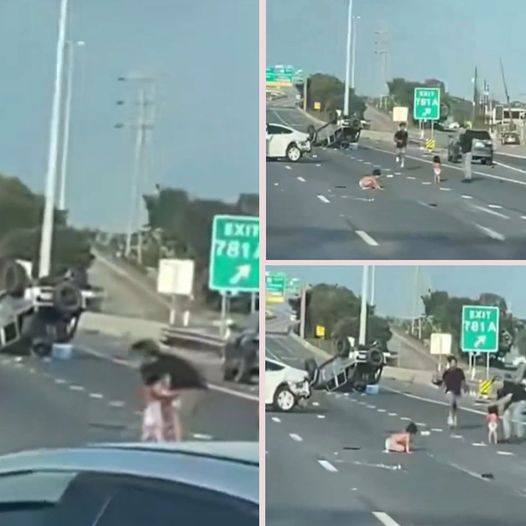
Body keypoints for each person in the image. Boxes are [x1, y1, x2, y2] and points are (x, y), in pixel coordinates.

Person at [141, 373, 179, 442]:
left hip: (162, 412)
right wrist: (172, 395)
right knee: (155, 431)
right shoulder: (155, 383)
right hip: (155, 411)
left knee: (167, 430)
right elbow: (158, 393)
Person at [442, 356, 467, 428]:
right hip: (449, 390)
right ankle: (450, 416)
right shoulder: (447, 372)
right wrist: (443, 387)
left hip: (457, 390)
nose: (453, 364)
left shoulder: (460, 371)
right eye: (452, 363)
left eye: (455, 363)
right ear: (450, 363)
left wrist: (464, 388)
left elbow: (463, 381)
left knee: (456, 406)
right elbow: (443, 381)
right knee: (452, 401)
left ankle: (455, 417)